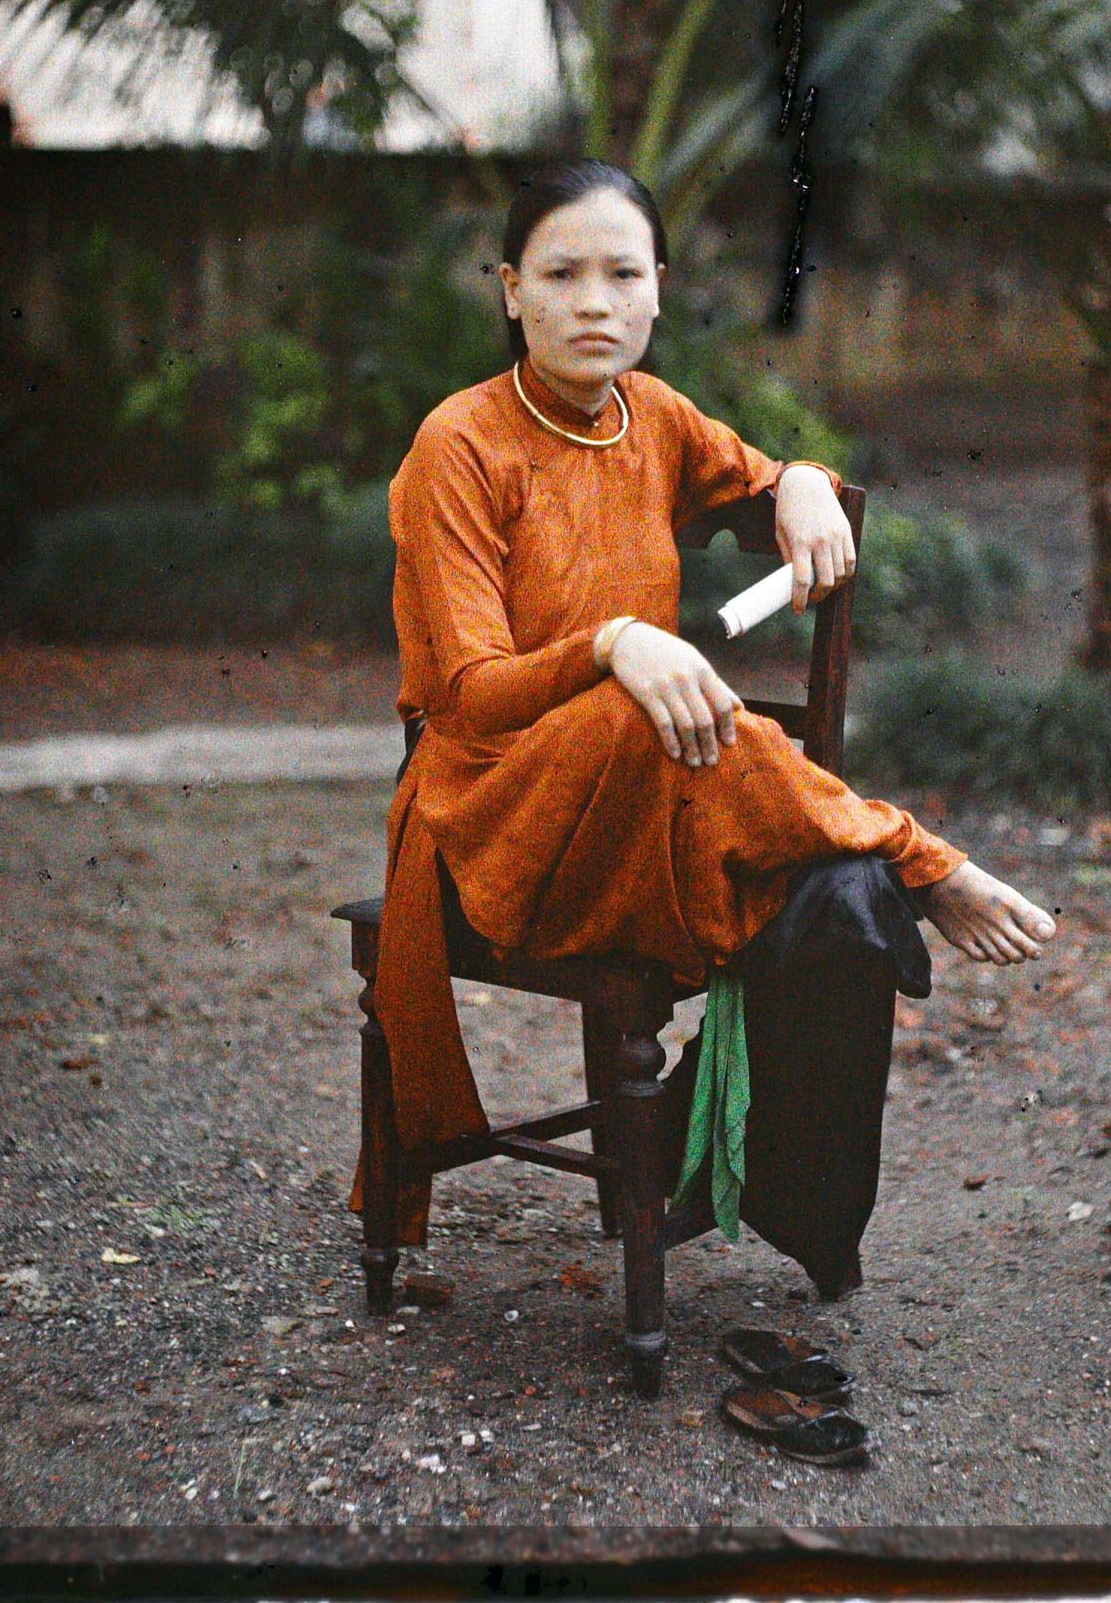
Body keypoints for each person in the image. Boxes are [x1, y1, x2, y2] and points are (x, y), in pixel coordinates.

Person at [350, 160, 1056, 1295]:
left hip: (643, 798)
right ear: (509, 291)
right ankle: (911, 854)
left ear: (658, 289)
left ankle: (773, 1156)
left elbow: (765, 468)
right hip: (493, 810)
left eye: (621, 272)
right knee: (651, 718)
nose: (594, 301)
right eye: (561, 273)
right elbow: (470, 692)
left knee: (835, 894)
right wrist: (610, 643)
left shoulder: (657, 418)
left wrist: (805, 480)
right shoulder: (459, 443)